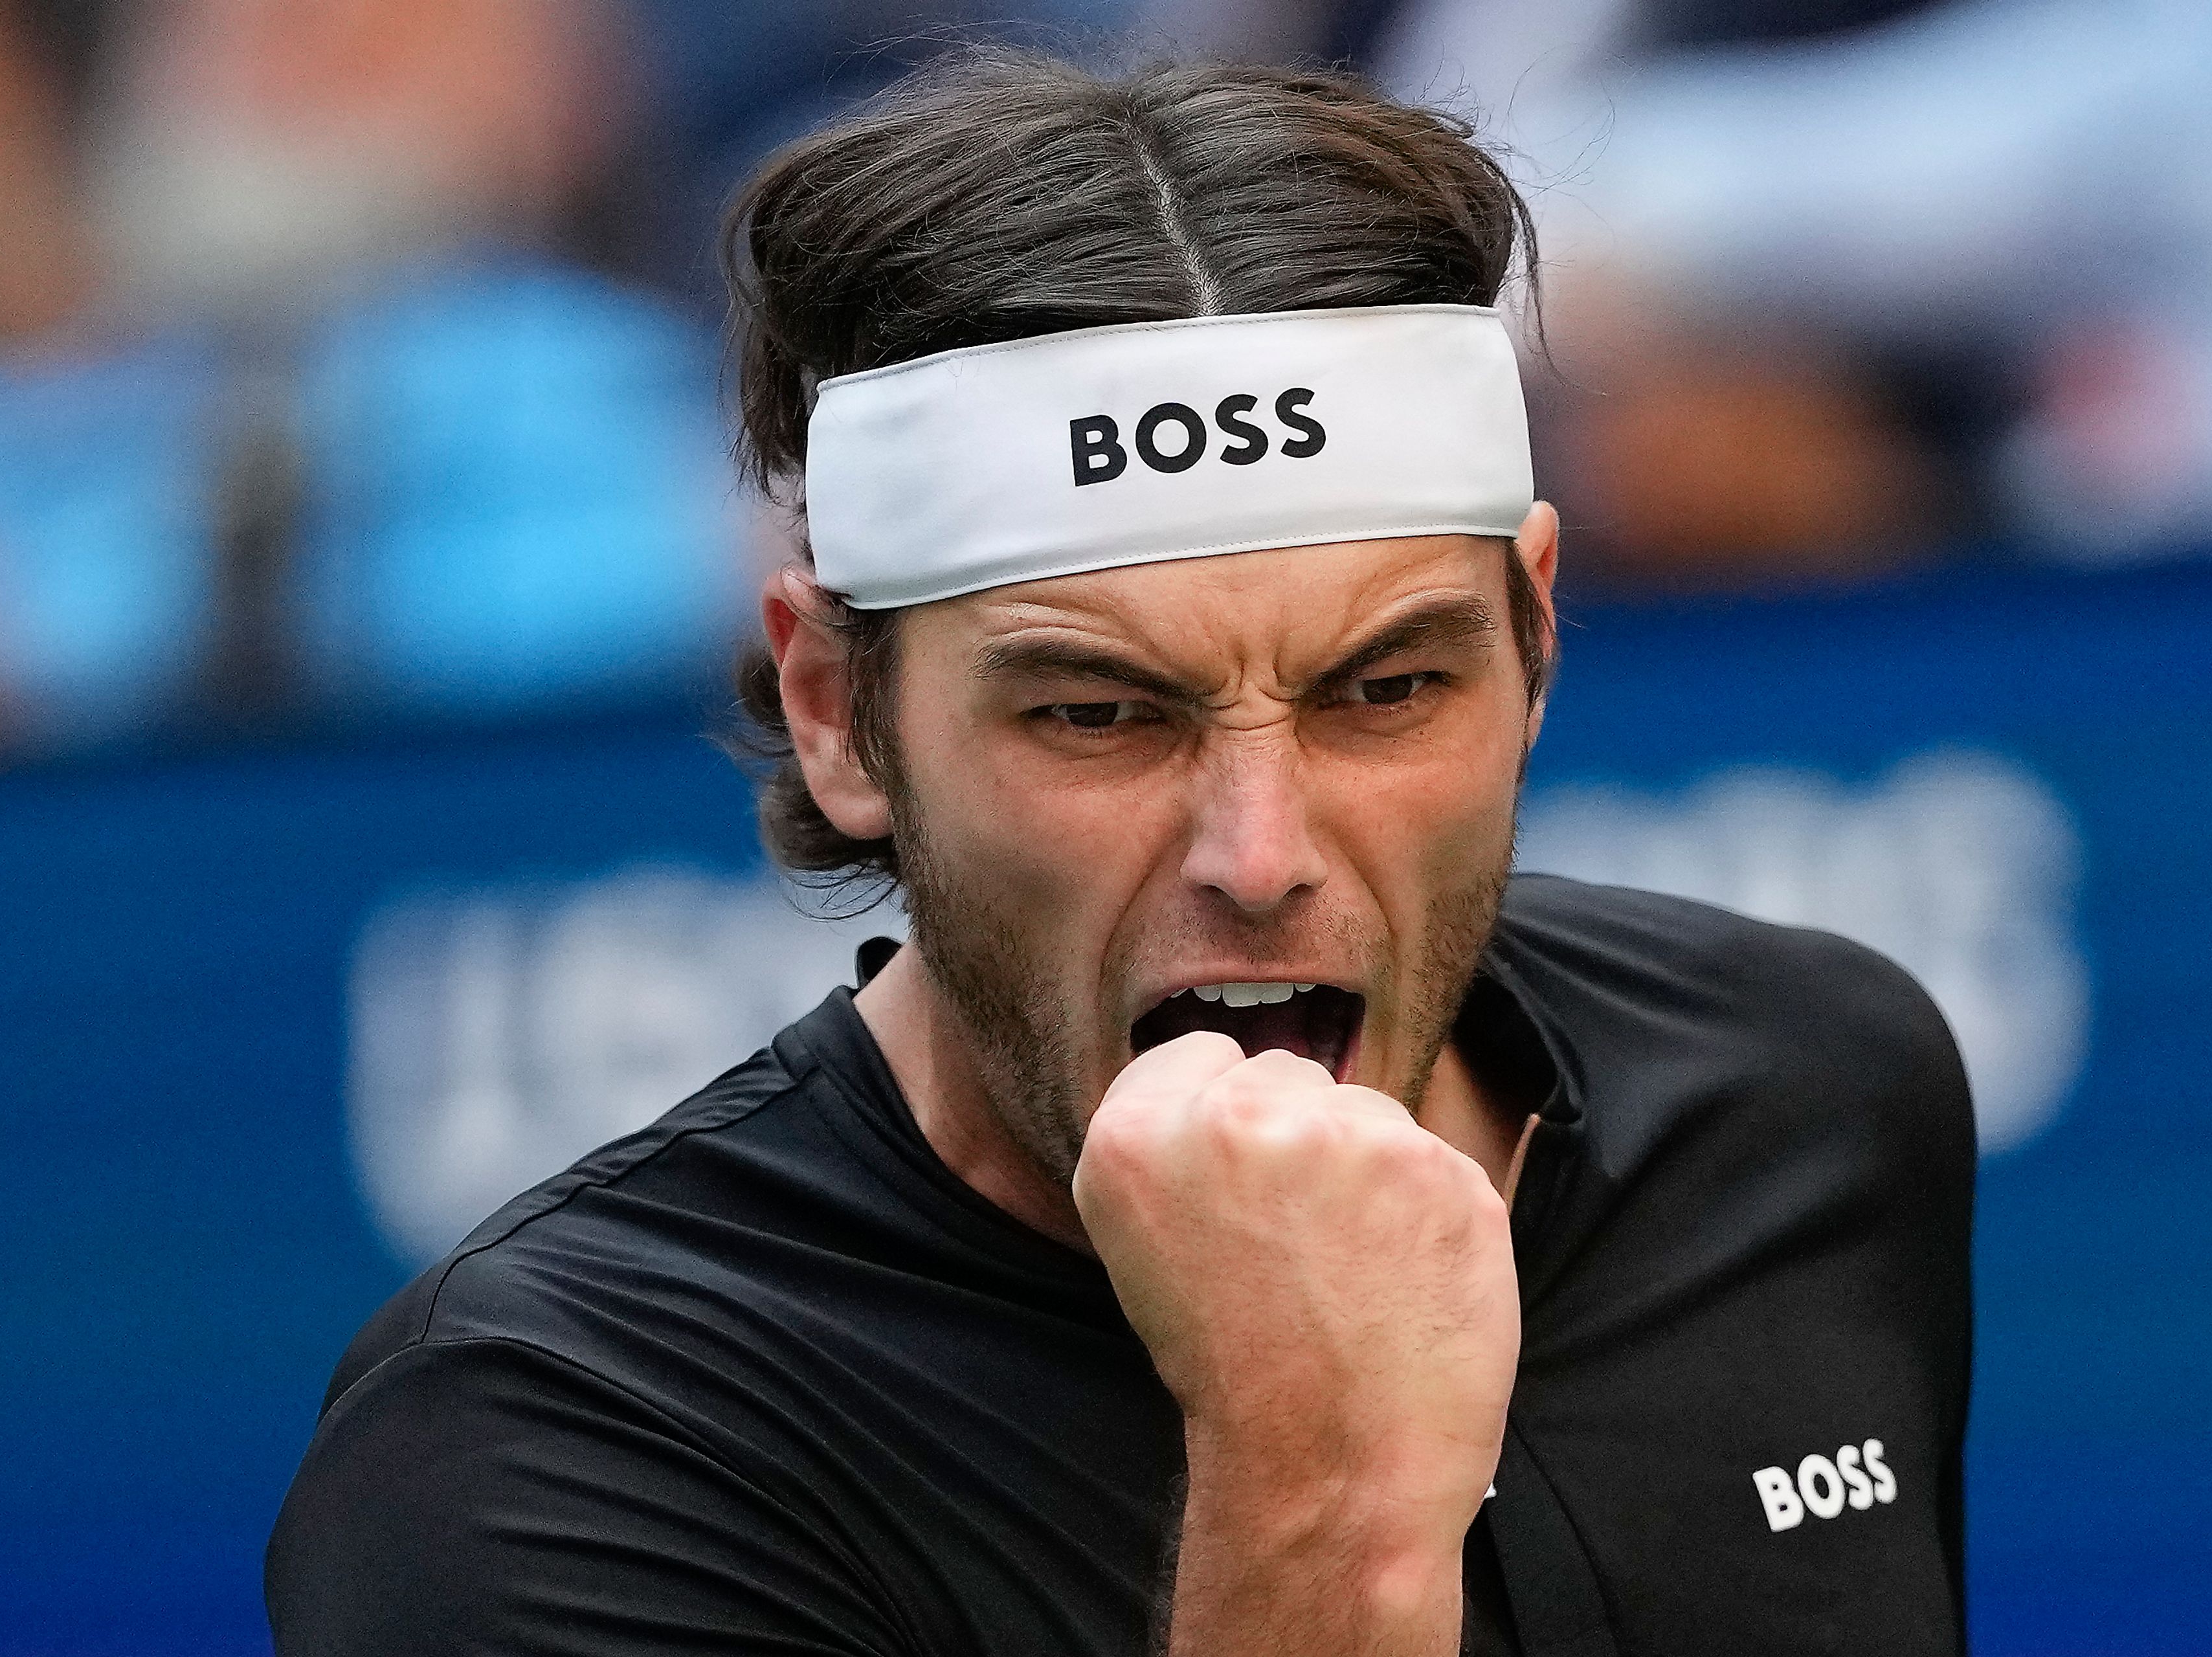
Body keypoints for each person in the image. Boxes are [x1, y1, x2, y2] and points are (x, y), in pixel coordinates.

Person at [266, 50, 1973, 1656]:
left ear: (1534, 638)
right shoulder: (553, 1439)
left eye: (1386, 688)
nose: (1262, 850)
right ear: (836, 712)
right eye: (1100, 715)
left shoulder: (1806, 1086)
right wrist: (1318, 1487)